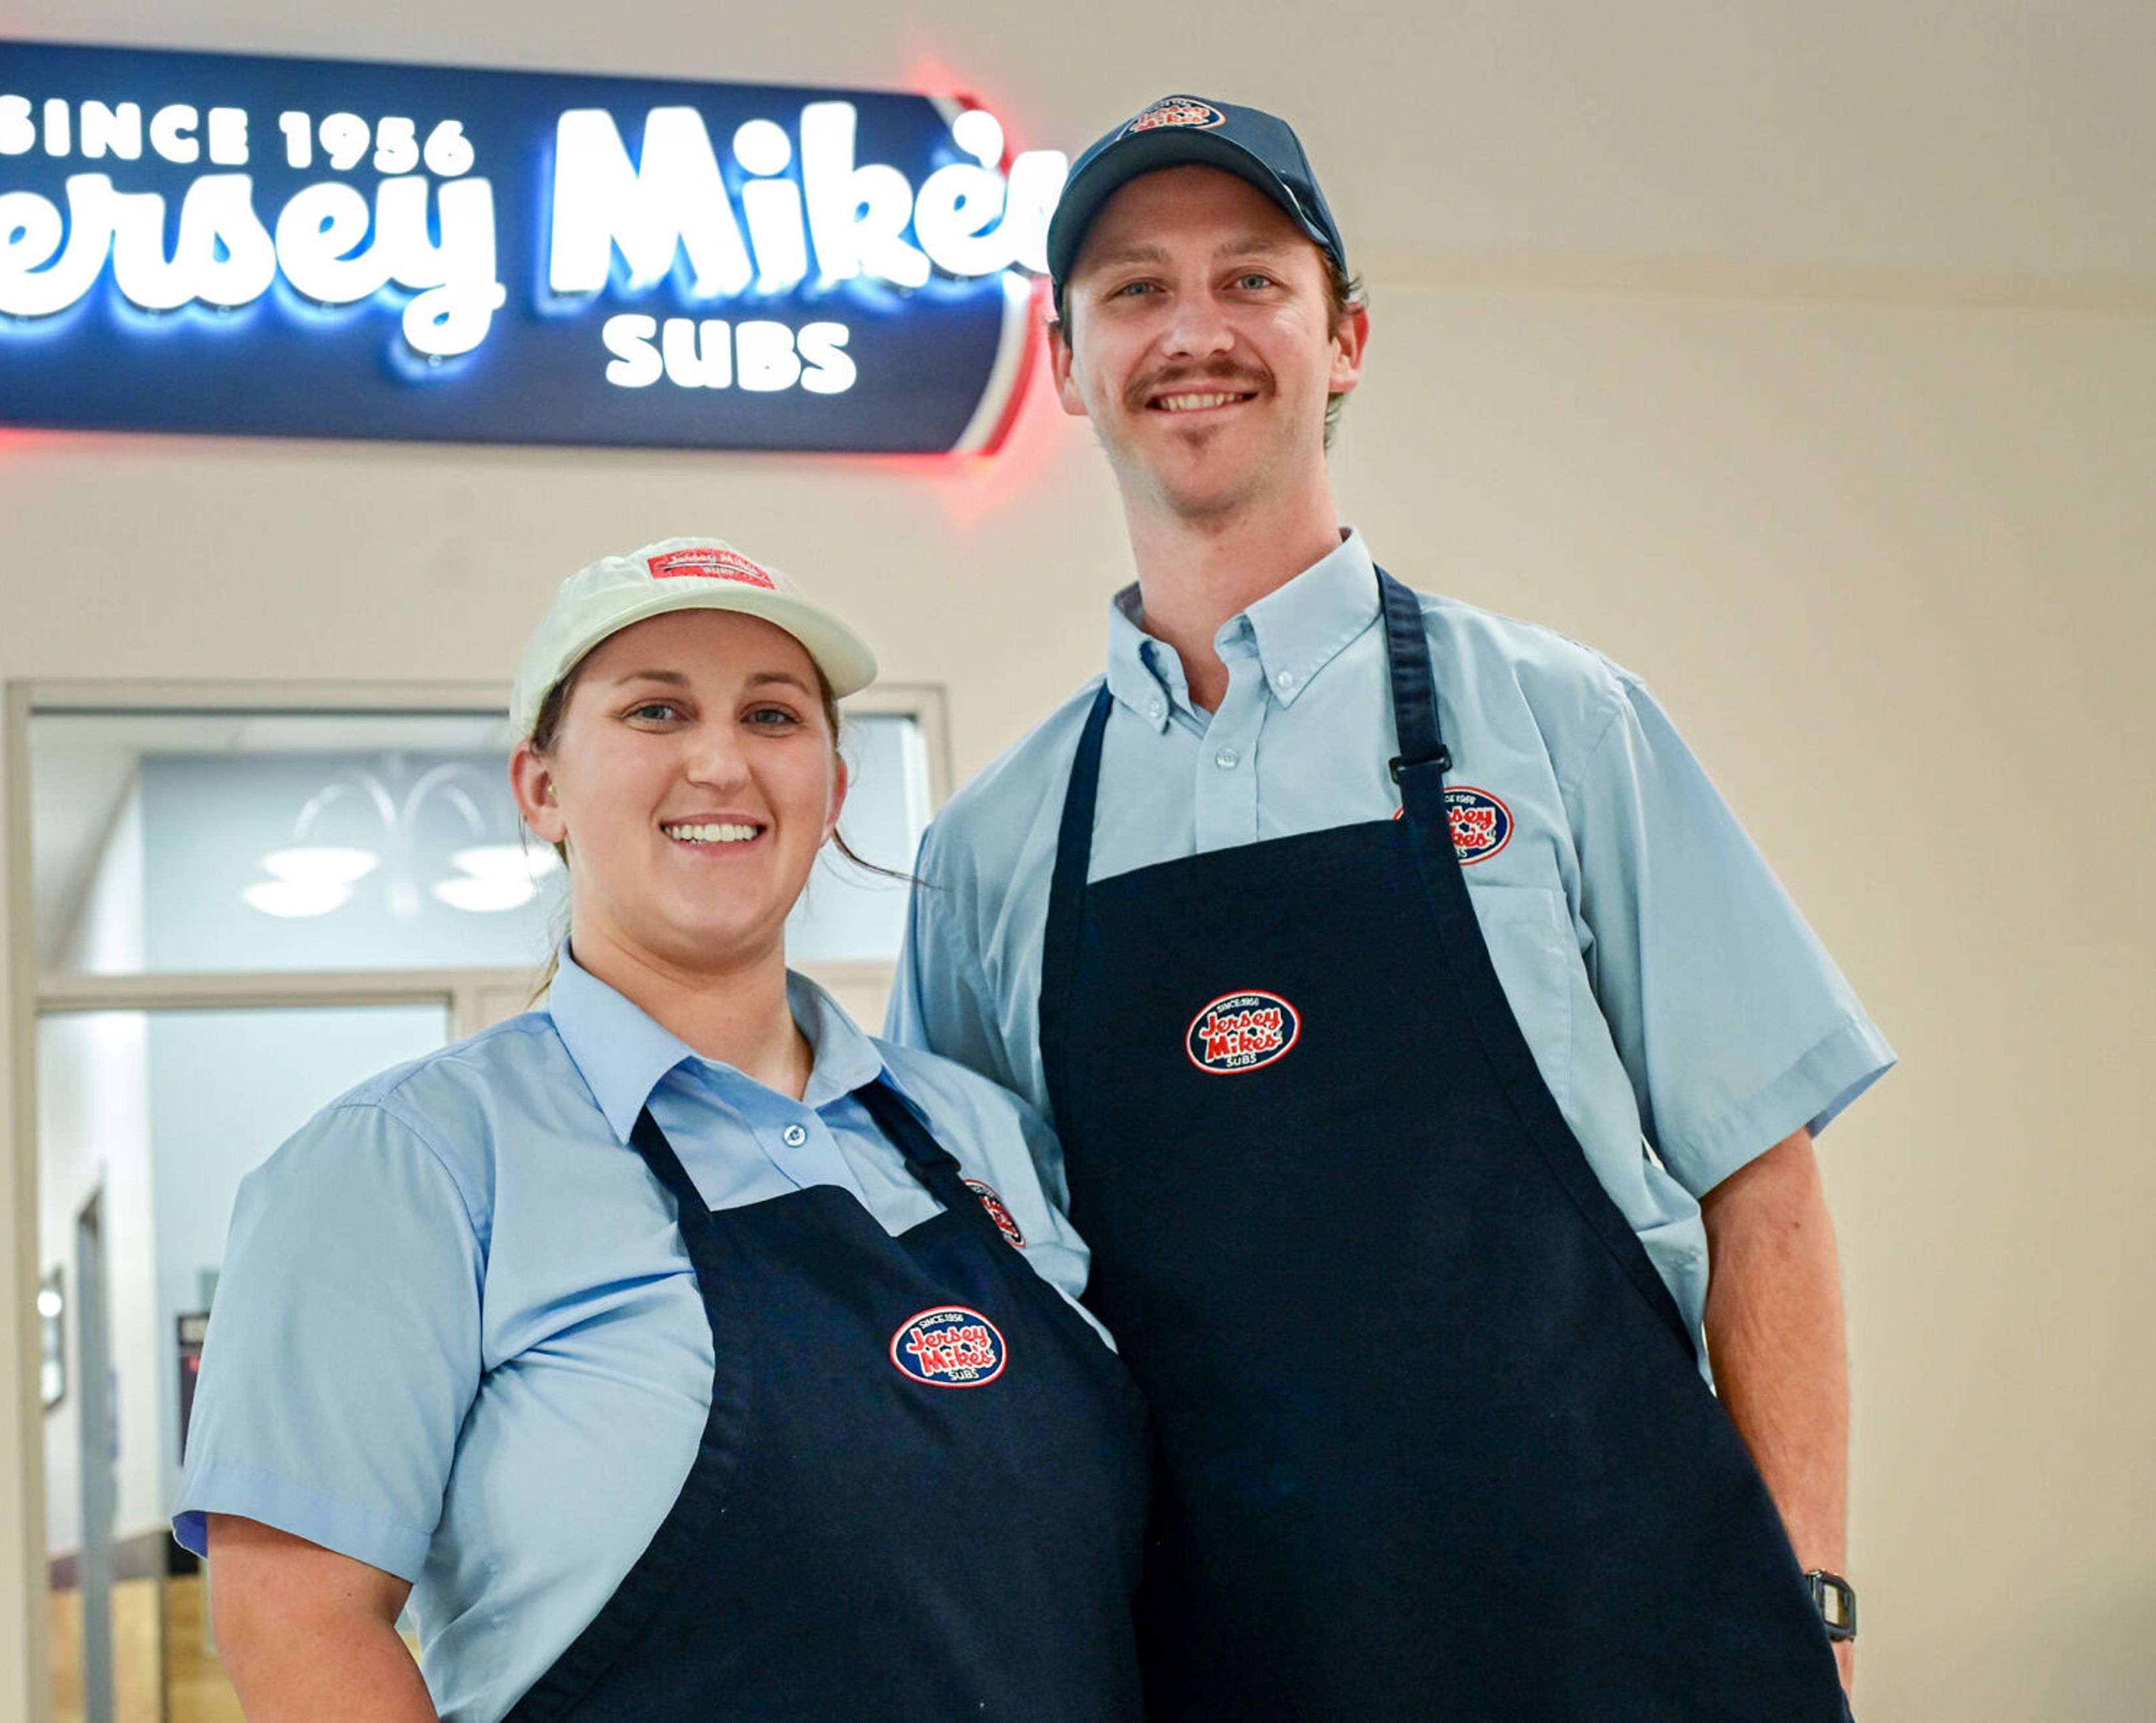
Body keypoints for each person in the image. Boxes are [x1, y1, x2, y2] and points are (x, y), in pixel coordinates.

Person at [889, 96, 1894, 1720]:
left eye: (1251, 281)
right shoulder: (993, 854)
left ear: (1345, 338)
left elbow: (1761, 1183)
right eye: (1135, 290)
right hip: (1217, 1665)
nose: (1193, 331)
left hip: (1633, 1636)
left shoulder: (1564, 726)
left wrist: (1812, 1606)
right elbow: (980, 1317)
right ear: (1068, 361)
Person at [172, 539, 1147, 1723]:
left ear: (832, 789)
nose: (721, 761)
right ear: (541, 789)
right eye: (656, 711)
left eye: (773, 716)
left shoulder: (982, 1133)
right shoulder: (405, 1165)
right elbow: (292, 1626)